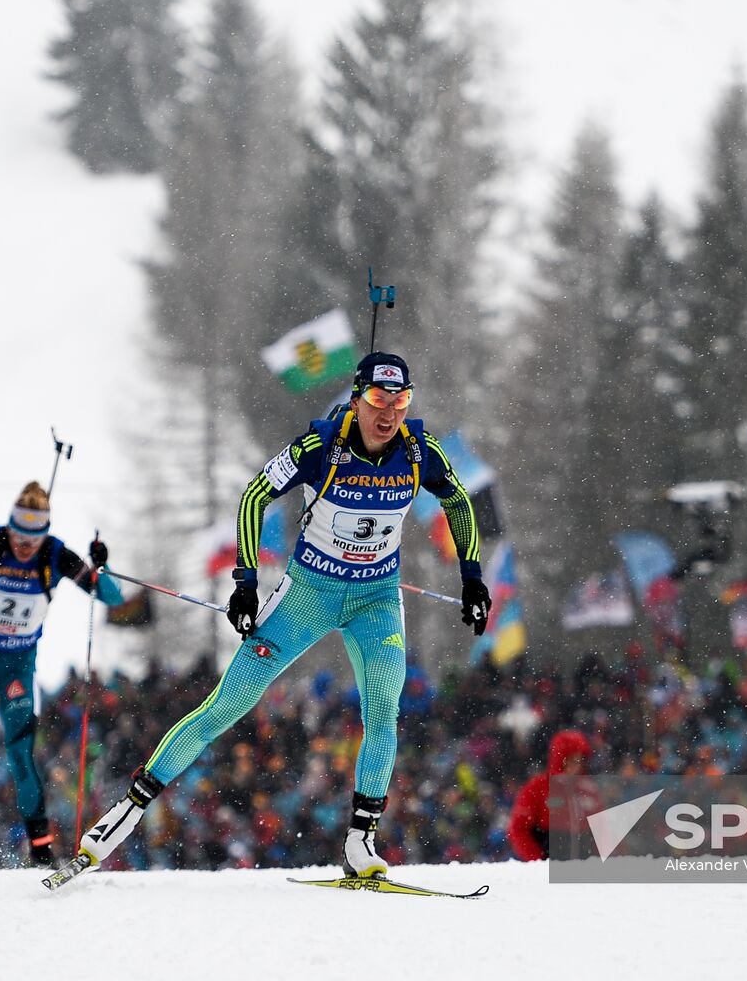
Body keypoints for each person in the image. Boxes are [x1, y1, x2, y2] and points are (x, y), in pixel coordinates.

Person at [77, 352, 491, 878]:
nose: (389, 413)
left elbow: (458, 501)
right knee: (228, 705)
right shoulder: (321, 445)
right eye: (378, 400)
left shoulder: (419, 451)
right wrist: (246, 584)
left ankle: (361, 842)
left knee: (384, 713)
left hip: (377, 600)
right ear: (358, 398)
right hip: (308, 593)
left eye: (400, 401)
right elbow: (254, 496)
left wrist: (473, 577)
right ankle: (125, 812)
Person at [0, 481, 121, 867]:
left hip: (18, 666)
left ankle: (41, 850)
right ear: (10, 528)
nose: (24, 546)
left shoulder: (55, 555)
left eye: (33, 538)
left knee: (21, 755)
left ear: (44, 533)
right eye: (19, 536)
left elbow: (111, 597)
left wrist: (101, 566)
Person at [508, 729, 593, 861]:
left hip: (583, 871)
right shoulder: (537, 788)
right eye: (572, 760)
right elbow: (518, 830)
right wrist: (538, 861)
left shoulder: (588, 790)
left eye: (581, 761)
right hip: (546, 870)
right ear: (560, 759)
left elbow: (603, 832)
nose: (577, 767)